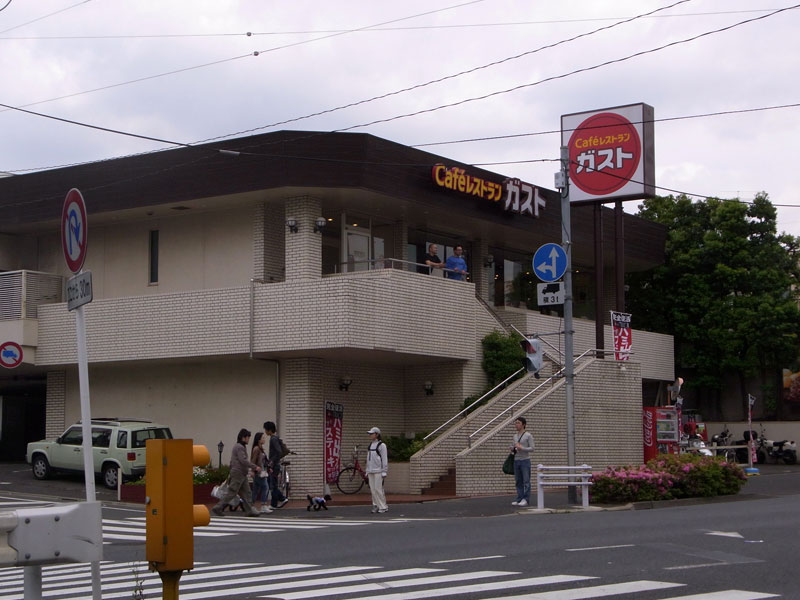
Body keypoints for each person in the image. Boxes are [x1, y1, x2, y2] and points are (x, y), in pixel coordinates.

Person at [211, 428, 262, 517]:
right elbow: (243, 460)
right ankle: (218, 507)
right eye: (248, 437)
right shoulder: (239, 447)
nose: (248, 440)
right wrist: (255, 467)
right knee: (232, 492)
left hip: (241, 473)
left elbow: (233, 462)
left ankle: (249, 510)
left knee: (247, 492)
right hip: (238, 473)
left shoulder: (240, 447)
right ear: (243, 437)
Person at [264, 421, 290, 509]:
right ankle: (274, 503)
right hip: (275, 465)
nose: (265, 431)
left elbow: (278, 451)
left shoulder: (273, 439)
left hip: (274, 465)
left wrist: (272, 462)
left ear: (269, 430)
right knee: (273, 484)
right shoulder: (275, 438)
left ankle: (281, 499)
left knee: (273, 485)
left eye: (266, 429)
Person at [510, 416, 534, 507]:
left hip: (525, 460)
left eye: (518, 423)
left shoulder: (528, 435)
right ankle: (519, 498)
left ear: (523, 425)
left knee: (526, 481)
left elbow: (532, 448)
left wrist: (522, 448)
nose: (516, 425)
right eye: (515, 423)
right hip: (516, 460)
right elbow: (514, 446)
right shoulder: (515, 436)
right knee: (518, 481)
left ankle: (526, 499)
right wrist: (512, 448)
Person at [365, 426, 389, 514]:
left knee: (378, 489)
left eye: (372, 434)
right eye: (370, 434)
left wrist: (384, 471)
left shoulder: (382, 445)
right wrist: (367, 470)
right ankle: (375, 505)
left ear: (377, 434)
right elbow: (368, 458)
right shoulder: (371, 445)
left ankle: (383, 506)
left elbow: (384, 458)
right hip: (371, 470)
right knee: (373, 489)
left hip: (378, 470)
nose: (370, 435)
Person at [250, 432, 273, 514]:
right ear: (259, 439)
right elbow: (253, 460)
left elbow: (264, 461)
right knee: (265, 487)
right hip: (259, 472)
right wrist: (253, 470)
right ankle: (263, 505)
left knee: (256, 490)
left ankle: (251, 505)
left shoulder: (260, 449)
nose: (264, 439)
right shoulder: (256, 449)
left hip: (262, 471)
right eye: (263, 438)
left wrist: (269, 468)